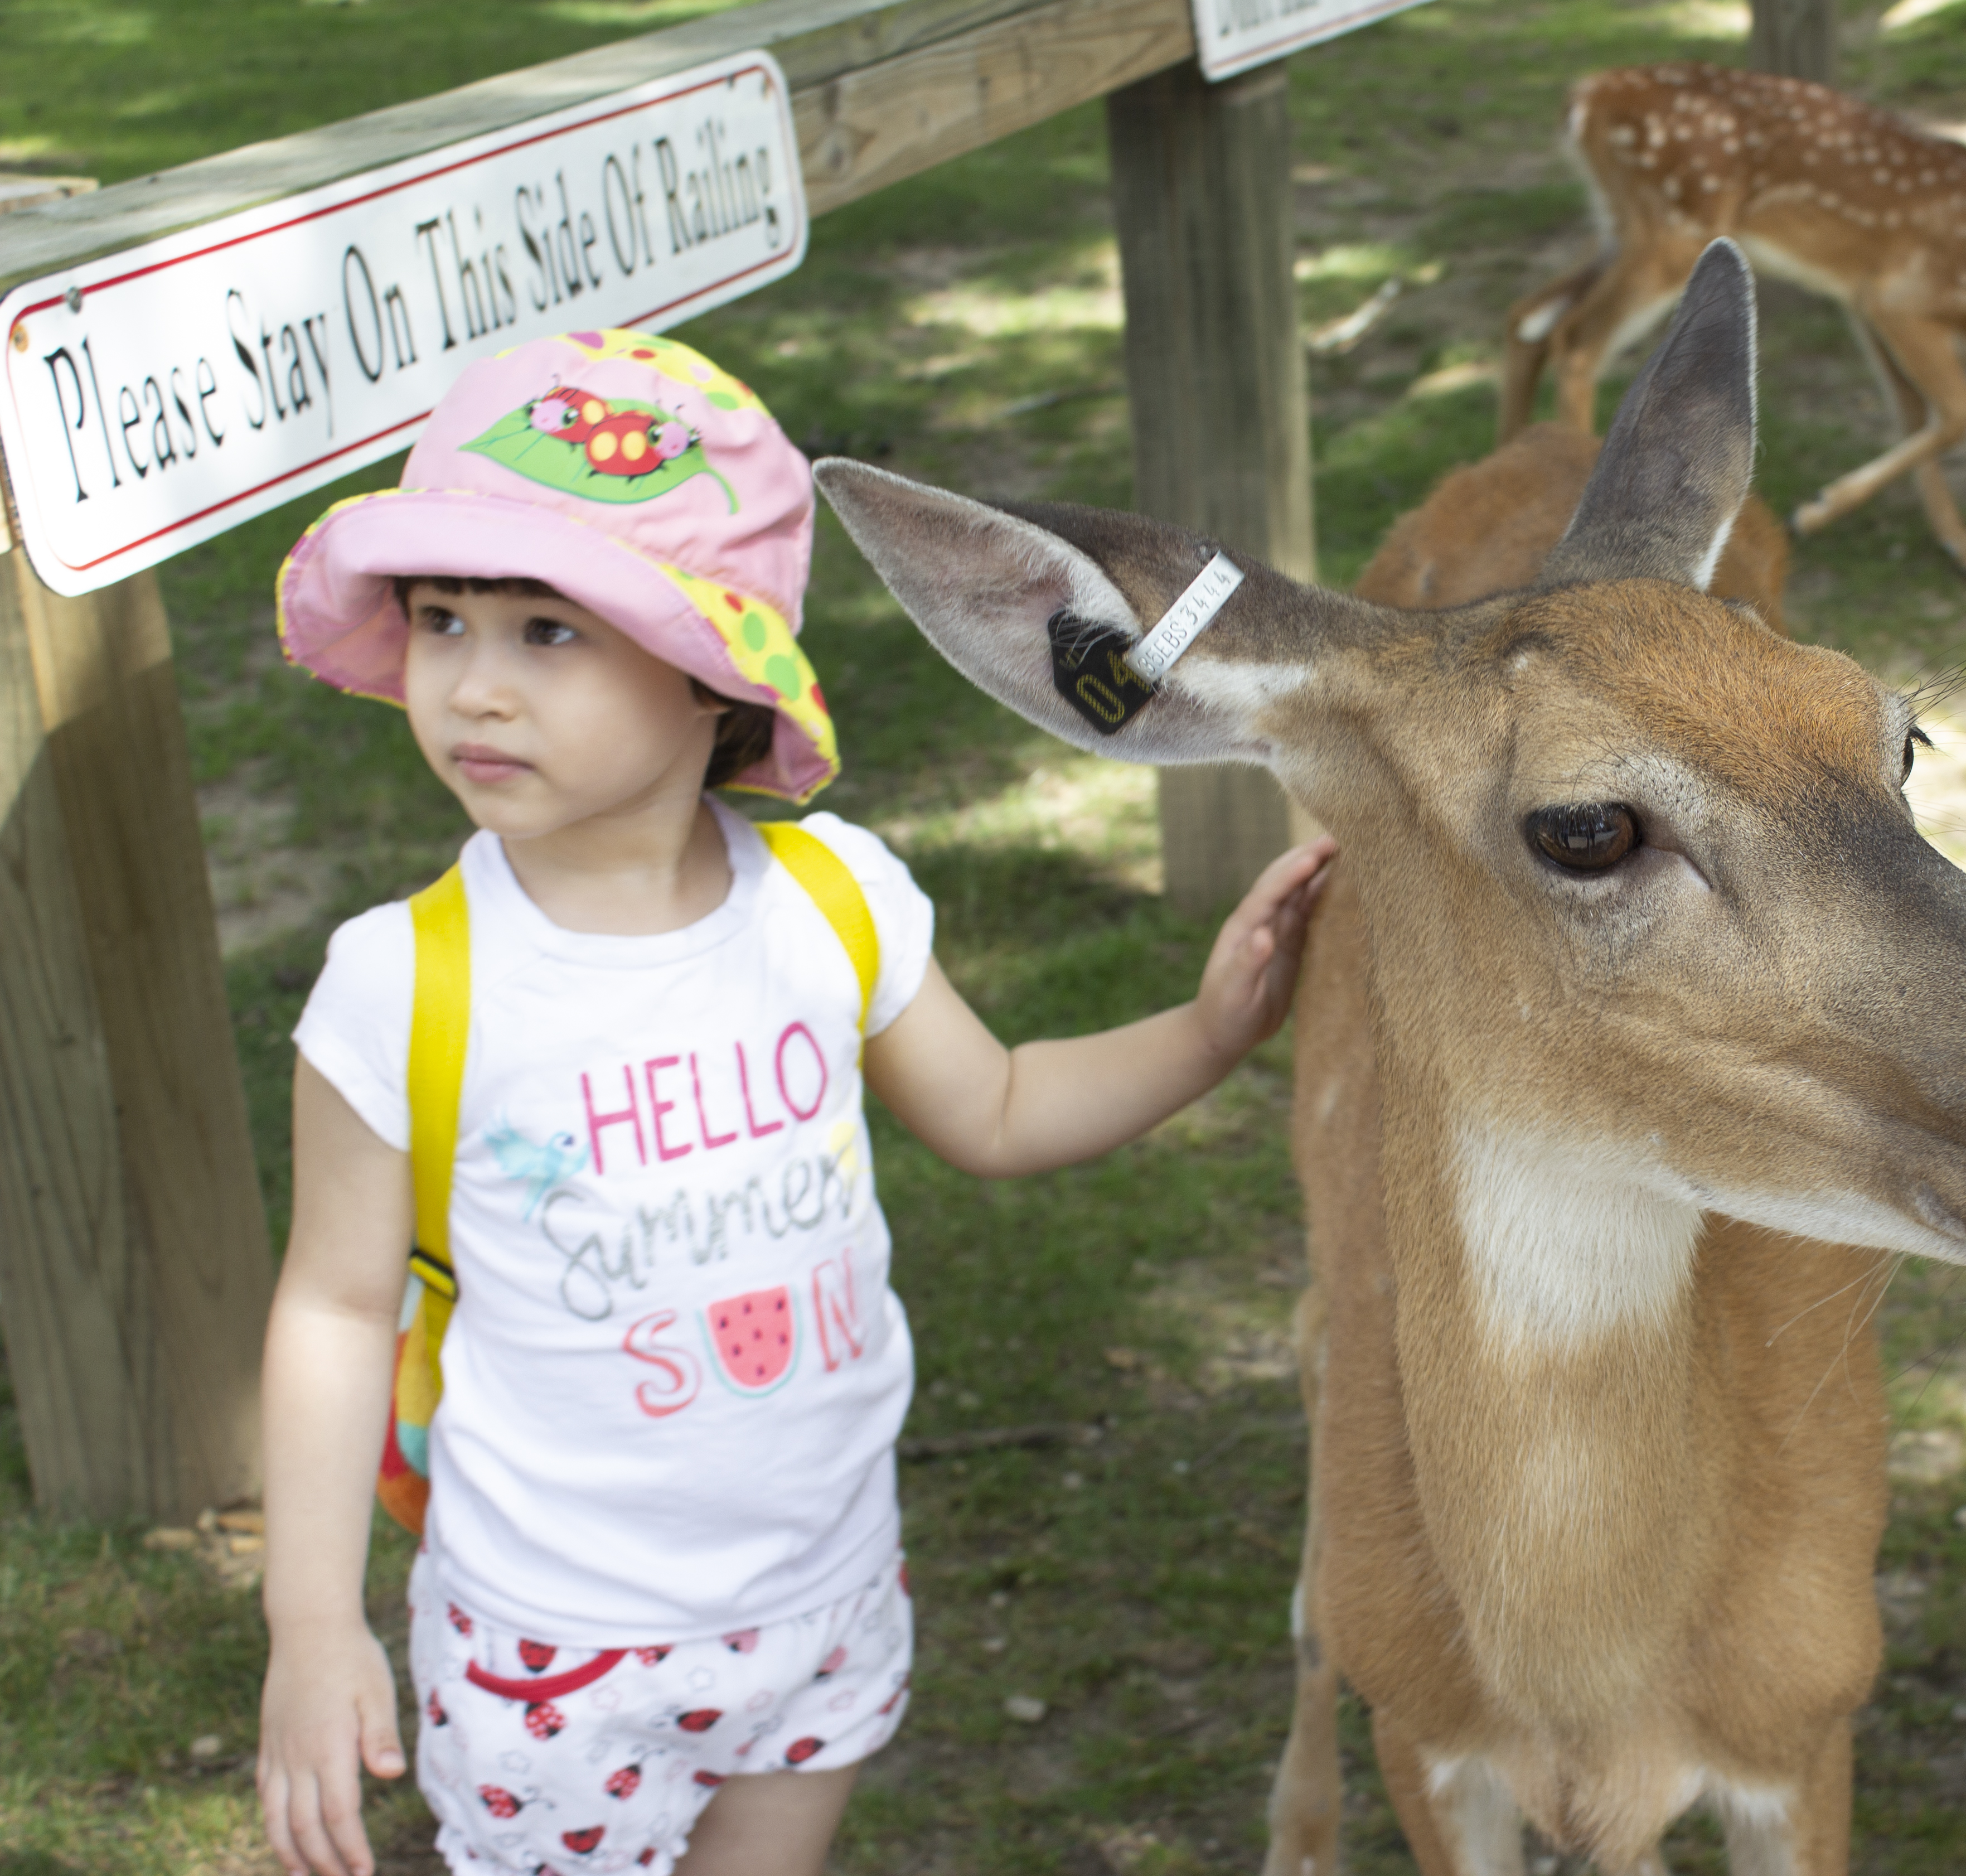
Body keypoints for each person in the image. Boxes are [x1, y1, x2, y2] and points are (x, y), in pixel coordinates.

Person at [251, 328, 1334, 1876]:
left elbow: (1007, 1107)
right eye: (441, 620)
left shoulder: (833, 902)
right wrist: (311, 1623)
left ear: (711, 679)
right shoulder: (399, 981)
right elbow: (336, 1310)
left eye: (549, 631)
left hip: (819, 1607)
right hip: (553, 1654)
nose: (474, 685)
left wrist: (1209, 1031)